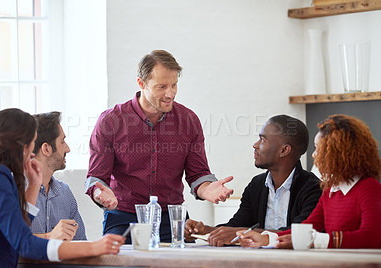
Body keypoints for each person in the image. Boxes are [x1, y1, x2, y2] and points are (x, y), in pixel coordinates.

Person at [85, 50, 234, 243]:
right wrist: (99, 193)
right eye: (161, 87)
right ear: (141, 83)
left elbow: (198, 174)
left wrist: (207, 189)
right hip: (124, 217)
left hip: (171, 218)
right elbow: (96, 178)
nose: (169, 94)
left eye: (174, 85)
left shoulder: (188, 120)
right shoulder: (111, 121)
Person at [0, 108, 124, 267]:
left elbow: (17, 229)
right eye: (30, 143)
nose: (32, 152)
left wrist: (34, 186)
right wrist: (92, 247)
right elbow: (23, 243)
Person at [238, 114, 381, 249]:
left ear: (339, 154)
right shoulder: (329, 190)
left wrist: (317, 240)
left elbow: (371, 236)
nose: (314, 155)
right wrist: (267, 239)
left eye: (319, 149)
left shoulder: (369, 188)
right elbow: (308, 228)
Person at [185, 115, 322, 246]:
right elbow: (236, 226)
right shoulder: (256, 185)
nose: (255, 145)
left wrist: (244, 232)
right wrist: (203, 230)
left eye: (263, 140)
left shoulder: (313, 188)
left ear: (284, 150)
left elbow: (297, 233)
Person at [31, 111, 87, 240]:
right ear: (46, 149)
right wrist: (49, 237)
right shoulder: (11, 190)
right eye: (62, 142)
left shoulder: (64, 193)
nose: (67, 149)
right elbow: (2, 245)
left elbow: (80, 243)